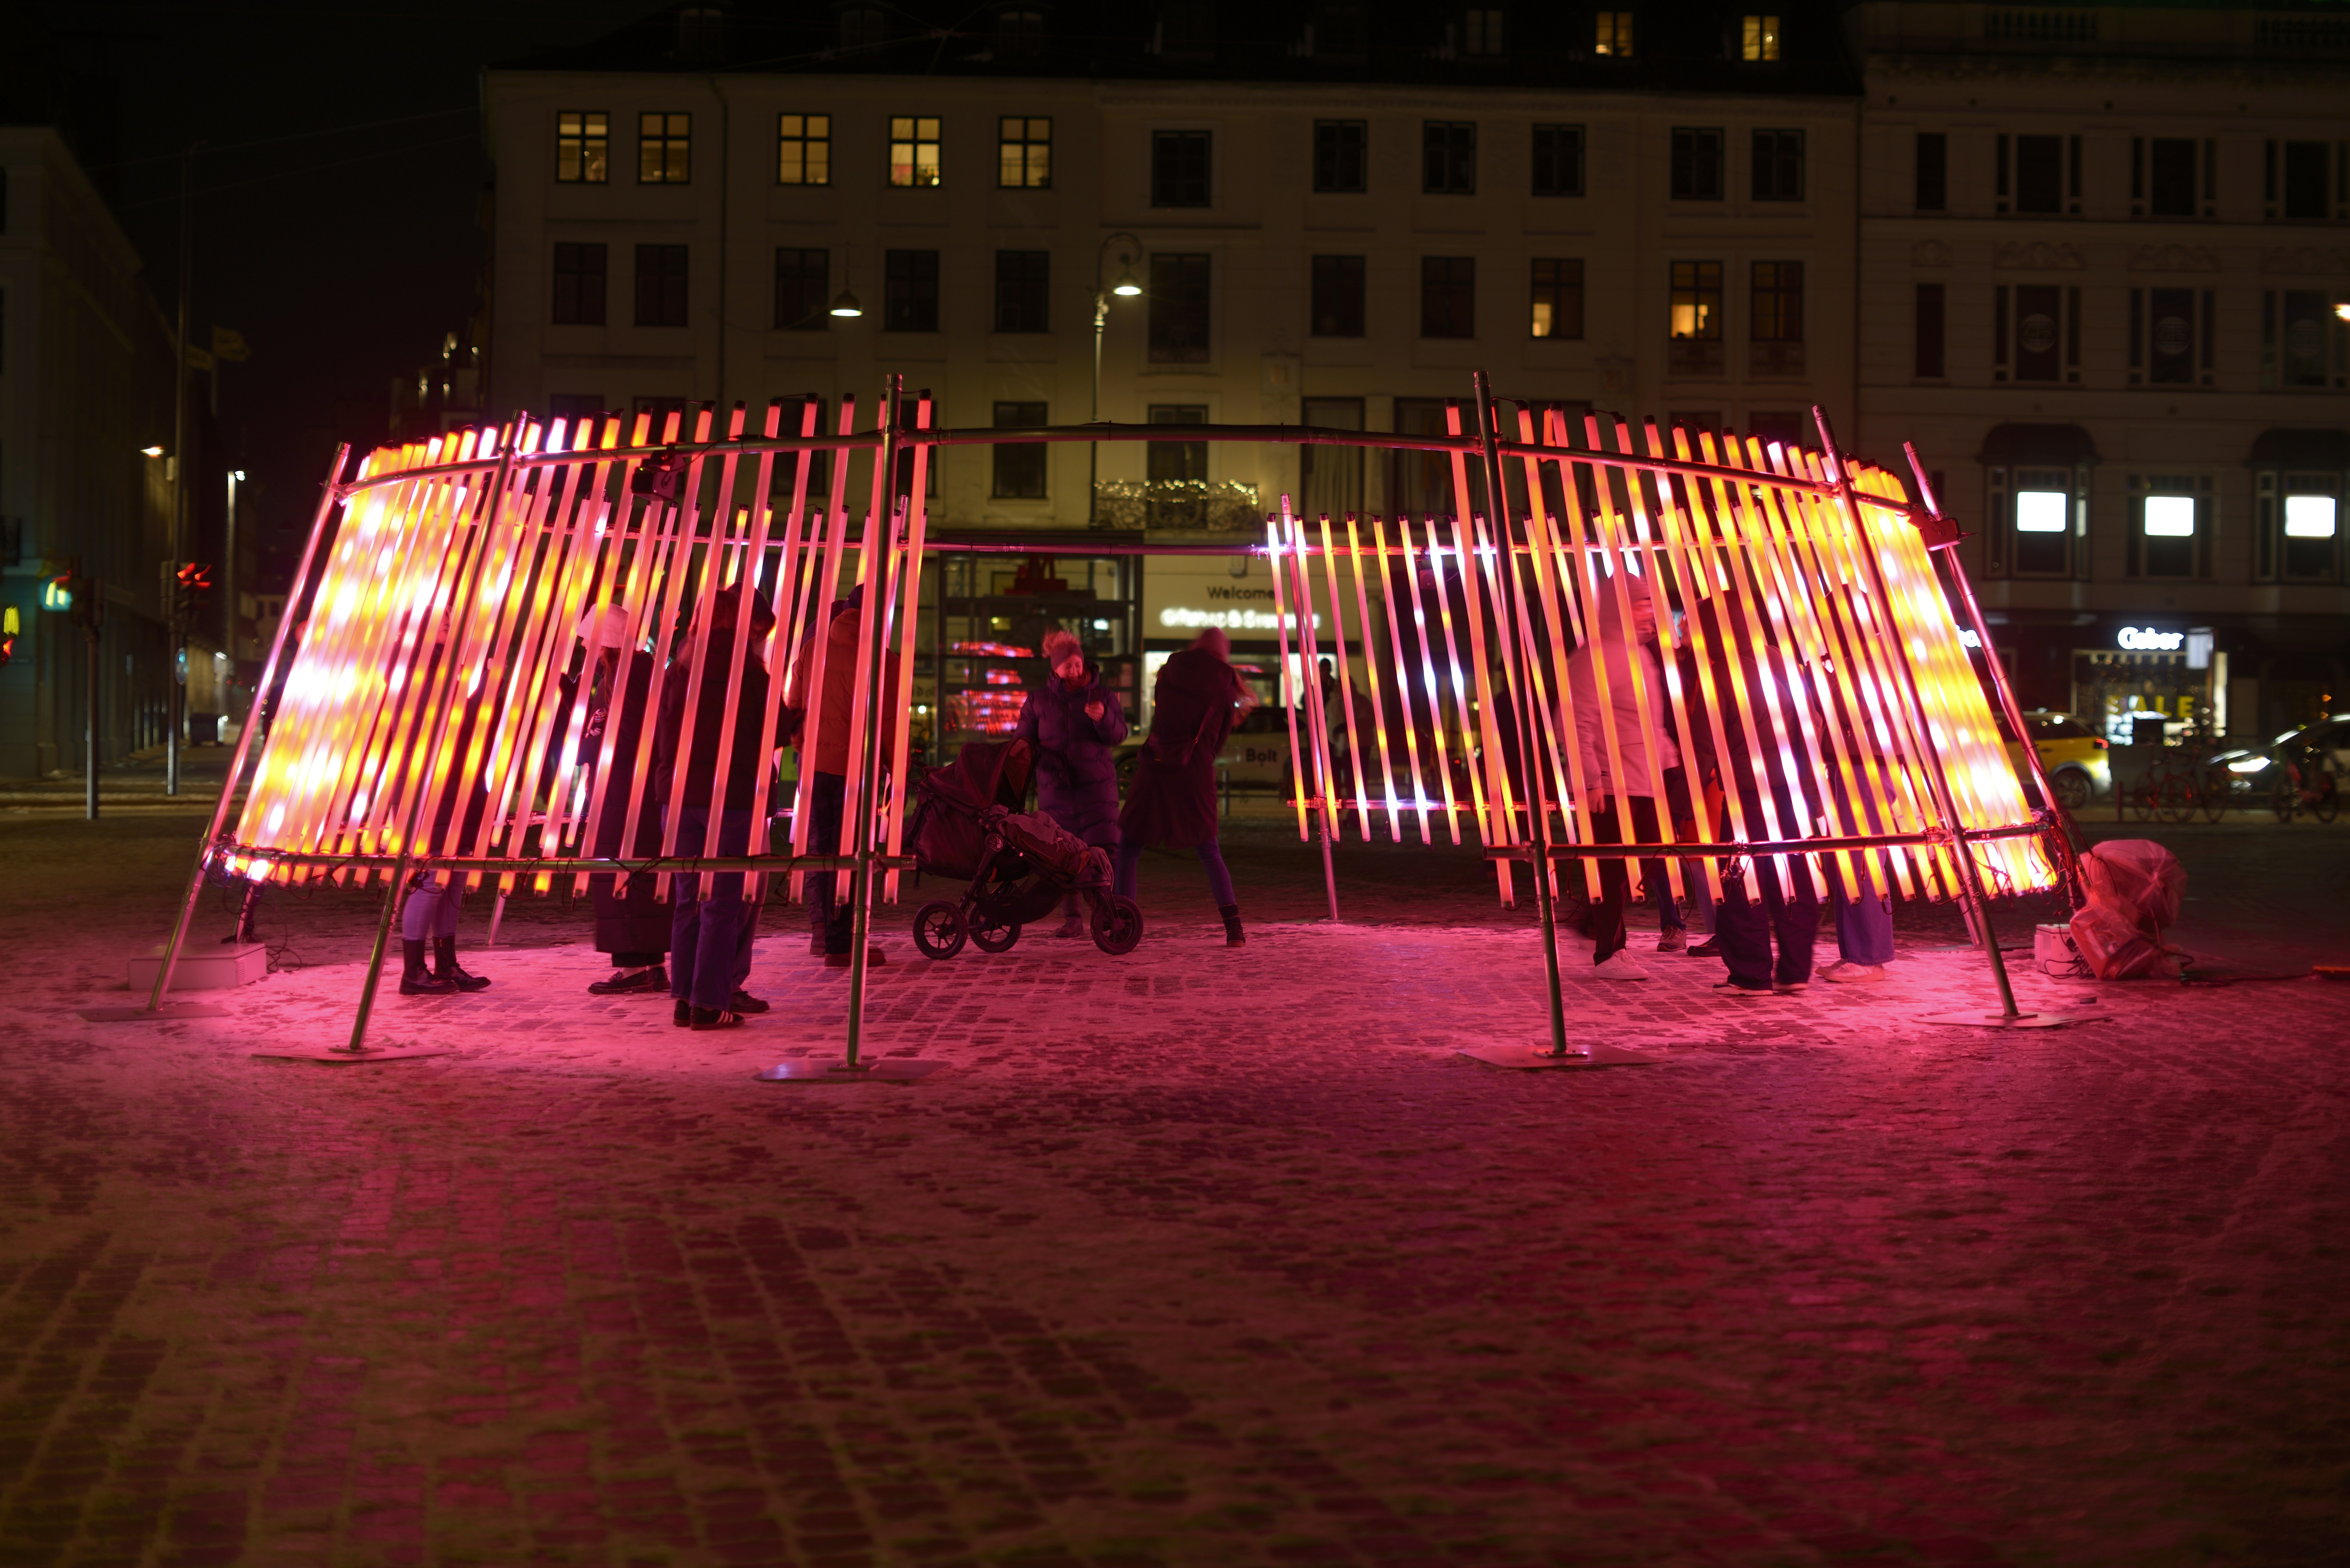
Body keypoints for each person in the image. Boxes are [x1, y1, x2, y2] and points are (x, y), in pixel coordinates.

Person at [1680, 592, 1823, 996]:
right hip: (1791, 791)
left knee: (1742, 883)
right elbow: (1812, 724)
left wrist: (1682, 802)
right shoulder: (1780, 661)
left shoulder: (1722, 674)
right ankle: (1794, 972)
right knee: (1793, 879)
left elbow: (1704, 745)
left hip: (1747, 794)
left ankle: (1750, 974)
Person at [653, 584, 780, 1029]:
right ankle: (709, 1003)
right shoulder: (751, 675)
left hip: (678, 798)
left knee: (687, 900)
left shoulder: (679, 671)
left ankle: (685, 998)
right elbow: (777, 730)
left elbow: (662, 731)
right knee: (722, 903)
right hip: (730, 799)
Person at [1563, 573, 1683, 980]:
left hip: (1644, 779)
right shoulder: (1594, 658)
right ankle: (1609, 950)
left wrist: (1668, 761)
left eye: (1650, 603)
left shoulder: (1641, 657)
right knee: (1614, 869)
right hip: (1612, 782)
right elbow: (1577, 722)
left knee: (1652, 856)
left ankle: (1591, 925)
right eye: (1641, 603)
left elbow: (1651, 721)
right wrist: (1591, 779)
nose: (1650, 612)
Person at [1117, 627, 1251, 946]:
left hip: (1156, 768)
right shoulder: (1226, 685)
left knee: (1129, 847)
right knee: (1208, 849)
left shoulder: (1168, 673)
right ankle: (1234, 928)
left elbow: (1159, 720)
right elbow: (1219, 740)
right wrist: (1201, 755)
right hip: (1195, 772)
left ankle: (1122, 923)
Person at [786, 597, 899, 968]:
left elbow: (794, 704)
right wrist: (894, 765)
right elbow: (888, 722)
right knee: (853, 855)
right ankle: (843, 943)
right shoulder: (884, 660)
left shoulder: (813, 648)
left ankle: (828, 935)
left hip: (816, 766)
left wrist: (804, 746)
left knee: (824, 851)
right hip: (858, 770)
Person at [568, 603, 670, 995]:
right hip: (639, 790)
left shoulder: (625, 676)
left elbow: (625, 735)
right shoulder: (637, 672)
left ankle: (633, 968)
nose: (585, 648)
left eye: (589, 640)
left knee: (618, 872)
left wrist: (591, 747)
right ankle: (652, 965)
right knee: (641, 873)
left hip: (623, 791)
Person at [1013, 628, 1128, 937]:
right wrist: (1037, 758)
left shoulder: (1102, 696)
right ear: (1056, 668)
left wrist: (1103, 718)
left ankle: (1110, 915)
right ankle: (1073, 920)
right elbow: (1023, 741)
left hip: (1097, 789)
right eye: (1069, 666)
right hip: (1056, 789)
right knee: (1063, 855)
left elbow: (1119, 734)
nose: (1076, 671)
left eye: (1078, 664)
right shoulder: (1039, 701)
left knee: (1106, 851)